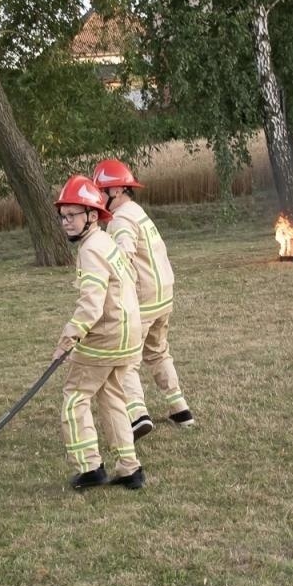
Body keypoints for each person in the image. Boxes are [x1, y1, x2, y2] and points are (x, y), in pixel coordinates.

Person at [52, 176, 145, 490]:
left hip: (106, 336)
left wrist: (68, 340)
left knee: (74, 398)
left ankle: (90, 468)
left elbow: (91, 304)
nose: (66, 222)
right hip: (128, 334)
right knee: (112, 396)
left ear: (92, 215)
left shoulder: (91, 250)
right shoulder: (106, 242)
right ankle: (130, 469)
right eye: (62, 216)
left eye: (72, 215)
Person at [91, 158, 195, 437]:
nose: (97, 197)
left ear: (116, 191)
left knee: (126, 360)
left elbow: (123, 253)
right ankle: (179, 408)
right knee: (159, 351)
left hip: (143, 299)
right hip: (163, 295)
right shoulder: (136, 211)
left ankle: (137, 415)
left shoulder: (121, 219)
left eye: (100, 190)